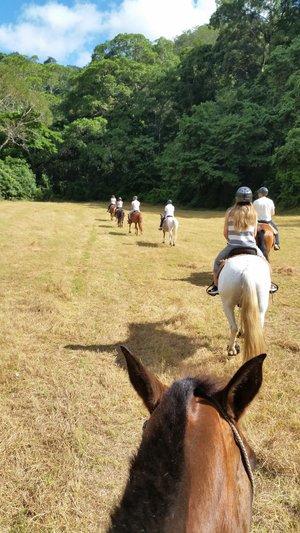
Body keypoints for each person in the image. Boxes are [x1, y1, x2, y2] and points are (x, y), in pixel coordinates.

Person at [207, 186, 275, 296]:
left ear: (236, 199)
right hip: (251, 246)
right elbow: (254, 234)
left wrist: (232, 241)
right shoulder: (253, 213)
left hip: (232, 246)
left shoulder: (229, 212)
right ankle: (269, 284)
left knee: (216, 263)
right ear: (250, 199)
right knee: (266, 265)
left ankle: (216, 286)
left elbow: (225, 233)